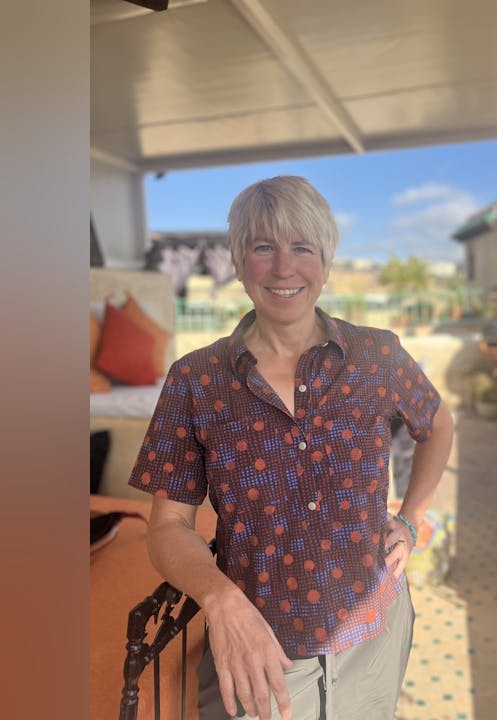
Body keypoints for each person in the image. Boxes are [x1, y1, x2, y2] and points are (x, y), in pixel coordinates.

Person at [129, 175, 454, 720]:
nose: (284, 268)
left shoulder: (377, 356)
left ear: (325, 262)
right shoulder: (197, 380)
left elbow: (438, 425)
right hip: (262, 648)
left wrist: (411, 514)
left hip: (374, 628)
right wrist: (221, 599)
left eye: (302, 248)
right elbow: (166, 529)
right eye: (263, 247)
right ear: (237, 261)